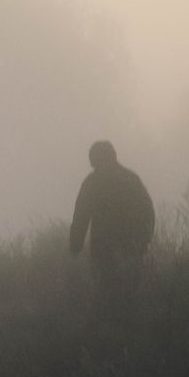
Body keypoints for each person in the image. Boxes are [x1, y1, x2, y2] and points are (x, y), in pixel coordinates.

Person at [70, 141, 155, 336]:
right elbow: (148, 213)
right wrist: (143, 242)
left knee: (105, 296)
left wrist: (75, 246)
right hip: (129, 251)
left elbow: (81, 216)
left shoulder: (92, 183)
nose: (92, 164)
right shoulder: (130, 179)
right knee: (127, 297)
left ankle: (105, 338)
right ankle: (125, 337)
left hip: (105, 252)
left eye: (93, 160)